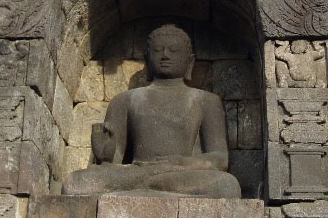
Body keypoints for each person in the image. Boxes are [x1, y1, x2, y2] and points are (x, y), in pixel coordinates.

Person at [62, 24, 241, 198]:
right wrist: (105, 157)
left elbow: (220, 159)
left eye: (174, 50)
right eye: (157, 50)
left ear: (190, 61)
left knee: (227, 185)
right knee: (75, 182)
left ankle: (141, 192)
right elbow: (115, 161)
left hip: (179, 174)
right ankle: (160, 192)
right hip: (137, 172)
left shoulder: (206, 100)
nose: (165, 55)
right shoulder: (124, 100)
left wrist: (181, 163)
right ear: (147, 60)